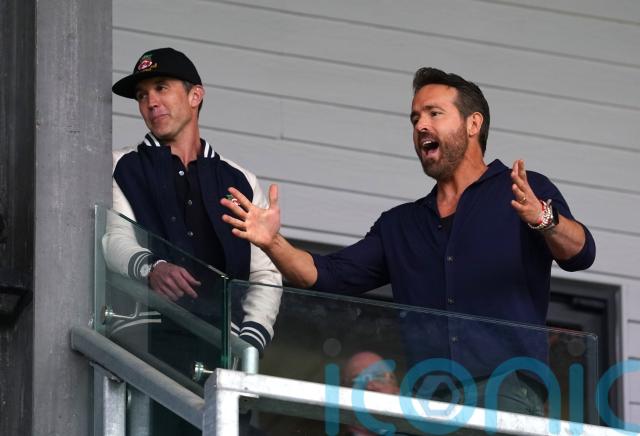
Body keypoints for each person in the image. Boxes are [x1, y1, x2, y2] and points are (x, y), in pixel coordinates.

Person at [220, 67, 596, 416]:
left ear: (473, 123)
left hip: (505, 392)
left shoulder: (522, 191)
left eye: (434, 113)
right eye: (415, 118)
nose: (421, 126)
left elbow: (581, 252)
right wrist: (272, 242)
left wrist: (544, 219)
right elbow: (324, 276)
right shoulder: (400, 225)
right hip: (428, 404)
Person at [104, 47, 282, 435]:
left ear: (195, 95)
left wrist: (247, 347)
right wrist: (151, 268)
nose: (150, 102)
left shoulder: (239, 180)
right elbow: (113, 238)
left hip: (220, 356)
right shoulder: (119, 164)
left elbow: (266, 274)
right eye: (141, 95)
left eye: (161, 87)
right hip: (145, 345)